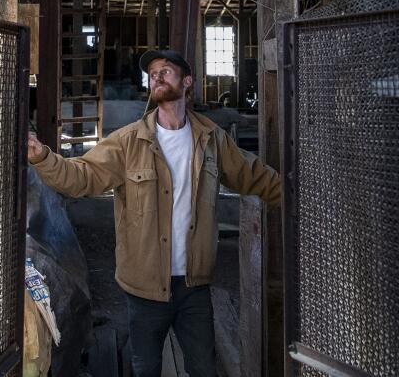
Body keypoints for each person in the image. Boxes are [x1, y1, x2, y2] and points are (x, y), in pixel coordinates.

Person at [27, 48, 282, 377]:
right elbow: (81, 177)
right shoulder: (128, 142)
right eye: (153, 73)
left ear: (187, 81)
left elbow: (256, 177)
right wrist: (42, 157)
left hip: (194, 285)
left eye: (166, 71)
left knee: (203, 368)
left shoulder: (211, 141)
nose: (156, 77)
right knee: (145, 368)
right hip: (144, 288)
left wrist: (297, 200)